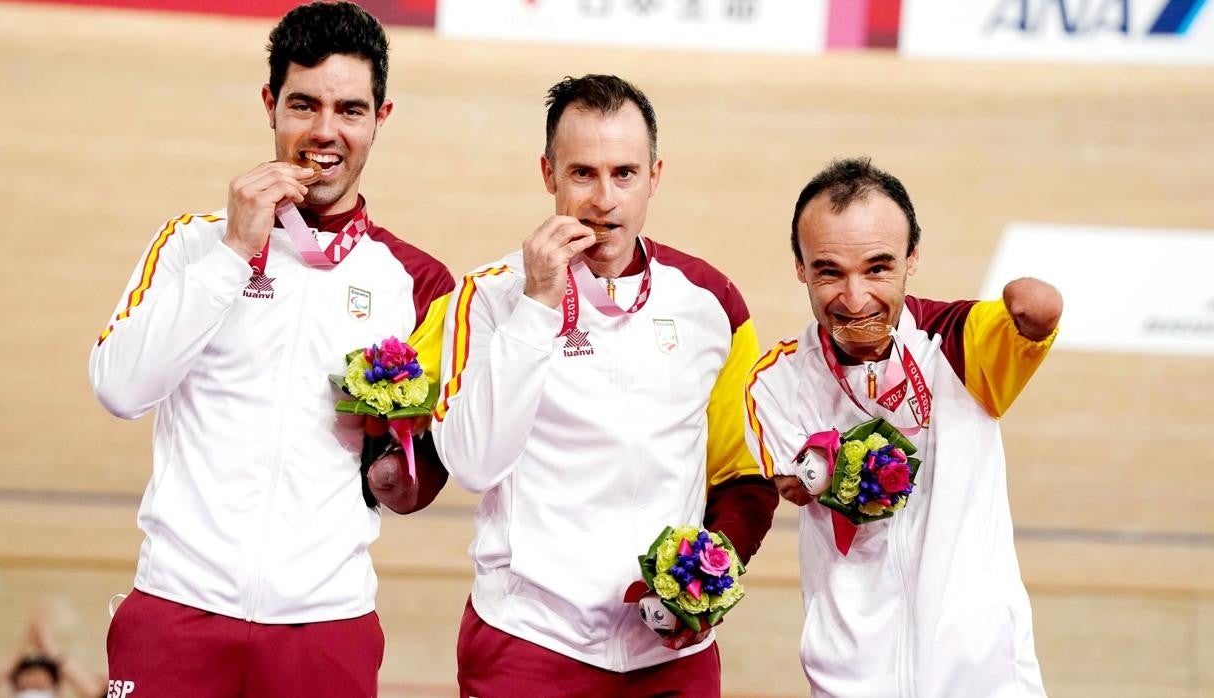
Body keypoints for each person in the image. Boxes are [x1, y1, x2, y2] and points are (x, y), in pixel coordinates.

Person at [88, 2, 454, 695]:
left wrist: (397, 459)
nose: (324, 131)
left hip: (327, 626)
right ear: (269, 105)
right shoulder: (191, 244)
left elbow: (418, 480)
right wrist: (233, 250)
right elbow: (119, 388)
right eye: (303, 105)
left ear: (381, 117)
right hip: (176, 611)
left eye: (349, 109)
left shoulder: (419, 284)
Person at [430, 74, 779, 697]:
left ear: (655, 175)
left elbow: (741, 471)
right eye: (582, 174)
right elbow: (474, 464)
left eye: (624, 173)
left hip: (671, 653)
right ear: (548, 174)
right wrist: (537, 305)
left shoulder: (710, 302)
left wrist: (704, 583)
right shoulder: (488, 296)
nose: (604, 200)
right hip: (531, 642)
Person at [744, 157, 1061, 697]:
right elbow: (792, 485)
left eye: (877, 267)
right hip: (852, 678)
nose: (855, 297)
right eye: (828, 271)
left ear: (913, 257)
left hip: (981, 675)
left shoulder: (958, 342)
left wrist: (1030, 307)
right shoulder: (777, 381)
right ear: (799, 267)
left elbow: (1040, 312)